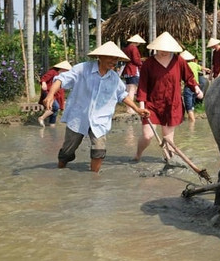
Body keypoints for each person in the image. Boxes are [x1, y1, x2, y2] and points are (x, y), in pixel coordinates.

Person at [42, 42, 149, 172]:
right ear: (100, 56)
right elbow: (61, 79)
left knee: (99, 151)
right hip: (78, 117)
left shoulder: (114, 78)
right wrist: (51, 94)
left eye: (116, 59)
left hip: (100, 119)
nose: (114, 61)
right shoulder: (82, 69)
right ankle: (60, 170)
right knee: (67, 152)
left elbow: (122, 94)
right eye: (111, 58)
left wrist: (137, 109)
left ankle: (94, 178)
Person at [133, 32, 203, 161]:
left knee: (168, 139)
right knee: (148, 135)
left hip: (172, 104)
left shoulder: (179, 61)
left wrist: (197, 89)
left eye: (166, 50)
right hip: (152, 104)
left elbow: (189, 77)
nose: (163, 52)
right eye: (161, 49)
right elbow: (142, 86)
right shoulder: (148, 63)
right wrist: (141, 106)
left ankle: (169, 162)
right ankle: (138, 155)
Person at [37, 60, 71, 127]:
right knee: (55, 107)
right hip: (48, 92)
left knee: (55, 111)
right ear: (63, 68)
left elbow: (61, 90)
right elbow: (44, 78)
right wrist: (43, 83)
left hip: (55, 95)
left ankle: (52, 126)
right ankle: (41, 118)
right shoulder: (53, 72)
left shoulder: (63, 76)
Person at [121, 34, 145, 113]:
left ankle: (128, 108)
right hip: (132, 70)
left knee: (128, 90)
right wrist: (141, 63)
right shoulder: (133, 48)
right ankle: (130, 108)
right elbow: (135, 60)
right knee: (132, 89)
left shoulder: (126, 48)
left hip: (127, 69)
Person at [179, 50, 202, 123]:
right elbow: (201, 68)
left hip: (188, 87)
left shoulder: (183, 65)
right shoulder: (195, 64)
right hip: (196, 87)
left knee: (188, 107)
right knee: (192, 105)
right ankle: (191, 121)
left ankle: (192, 123)